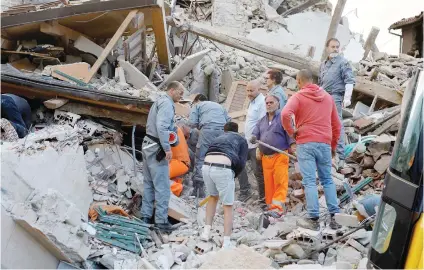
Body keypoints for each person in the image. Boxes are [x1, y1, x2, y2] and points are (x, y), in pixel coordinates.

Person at [281, 69, 342, 230]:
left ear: (299, 81)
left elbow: (285, 114)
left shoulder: (298, 96)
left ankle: (313, 218)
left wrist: (292, 132)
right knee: (327, 179)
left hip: (306, 142)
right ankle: (335, 216)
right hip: (324, 143)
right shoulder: (328, 98)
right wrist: (333, 146)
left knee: (309, 181)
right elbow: (337, 125)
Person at [141, 81, 184, 233]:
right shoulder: (167, 104)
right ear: (172, 90)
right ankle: (161, 221)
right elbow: (162, 126)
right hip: (156, 148)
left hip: (147, 144)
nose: (181, 95)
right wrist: (167, 148)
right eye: (180, 92)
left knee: (148, 184)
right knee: (163, 186)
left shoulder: (158, 101)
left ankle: (145, 217)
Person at [199, 122, 248, 249]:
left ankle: (206, 232)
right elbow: (242, 163)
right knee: (228, 206)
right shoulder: (241, 139)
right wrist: (232, 175)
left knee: (212, 197)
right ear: (236, 131)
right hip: (222, 168)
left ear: (224, 131)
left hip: (206, 166)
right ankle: (226, 242)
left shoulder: (218, 138)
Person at [250, 95, 295, 215]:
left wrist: (293, 145)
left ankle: (277, 207)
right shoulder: (262, 121)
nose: (269, 105)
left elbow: (290, 133)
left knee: (280, 180)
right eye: (267, 103)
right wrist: (254, 138)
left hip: (280, 154)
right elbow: (255, 132)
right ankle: (270, 207)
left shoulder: (283, 118)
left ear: (278, 104)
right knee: (269, 183)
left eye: (271, 102)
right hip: (266, 157)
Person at [319, 38, 355, 169]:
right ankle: (326, 154)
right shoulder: (323, 64)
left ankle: (340, 156)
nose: (335, 49)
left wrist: (347, 97)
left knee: (337, 124)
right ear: (327, 48)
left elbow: (350, 80)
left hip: (335, 97)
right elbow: (321, 83)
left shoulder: (343, 62)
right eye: (333, 47)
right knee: (323, 125)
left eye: (337, 47)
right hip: (324, 97)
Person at [189, 94, 231, 198]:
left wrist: (199, 127)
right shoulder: (219, 106)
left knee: (201, 157)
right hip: (222, 131)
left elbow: (192, 123)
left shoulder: (197, 106)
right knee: (219, 158)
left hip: (208, 129)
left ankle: (198, 189)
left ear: (197, 100)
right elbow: (229, 120)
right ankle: (220, 188)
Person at [238, 80, 267, 203]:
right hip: (247, 141)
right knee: (239, 165)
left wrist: (259, 143)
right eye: (247, 90)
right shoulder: (252, 101)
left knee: (258, 172)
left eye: (251, 90)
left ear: (259, 90)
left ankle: (263, 198)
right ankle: (245, 191)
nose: (249, 93)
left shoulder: (262, 102)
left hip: (256, 143)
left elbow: (262, 123)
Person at [169, 126, 191, 197]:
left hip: (179, 162)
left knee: (158, 175)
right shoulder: (176, 129)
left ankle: (178, 188)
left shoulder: (171, 128)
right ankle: (177, 182)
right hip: (181, 163)